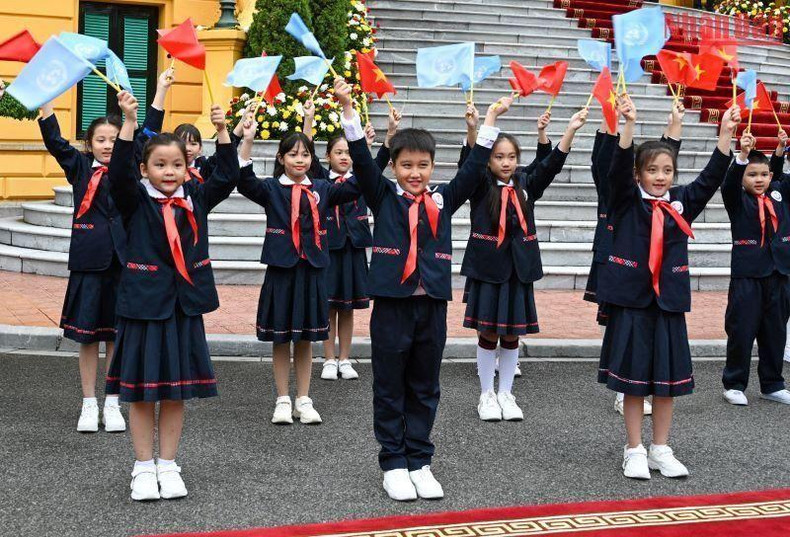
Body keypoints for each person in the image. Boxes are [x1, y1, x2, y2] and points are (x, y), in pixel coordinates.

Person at [336, 74, 510, 501]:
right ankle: (393, 462)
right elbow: (360, 159)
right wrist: (347, 111)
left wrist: (487, 120)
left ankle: (420, 459)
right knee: (390, 385)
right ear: (393, 167)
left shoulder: (443, 200)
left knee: (426, 385)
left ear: (433, 166)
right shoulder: (382, 196)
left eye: (423, 165)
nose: (415, 173)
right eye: (407, 165)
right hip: (392, 307)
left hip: (431, 305)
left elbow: (472, 171)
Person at [106, 91, 240, 500]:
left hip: (184, 307)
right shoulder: (134, 202)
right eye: (160, 165)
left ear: (187, 168)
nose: (169, 172)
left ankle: (169, 462)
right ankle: (143, 466)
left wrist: (222, 133)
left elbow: (228, 176)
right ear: (144, 169)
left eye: (177, 165)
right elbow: (118, 177)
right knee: (143, 392)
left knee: (177, 390)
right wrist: (129, 122)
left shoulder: (195, 199)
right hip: (145, 307)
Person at [597, 94, 739, 480]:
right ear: (639, 174)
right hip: (632, 302)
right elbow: (615, 171)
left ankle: (660, 447)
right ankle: (634, 449)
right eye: (652, 170)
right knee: (632, 382)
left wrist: (725, 135)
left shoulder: (680, 202)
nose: (661, 177)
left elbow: (709, 181)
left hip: (669, 302)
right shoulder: (626, 200)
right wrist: (628, 124)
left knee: (666, 381)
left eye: (667, 170)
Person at [721, 131, 790, 406]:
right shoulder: (737, 200)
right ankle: (734, 383)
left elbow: (781, 177)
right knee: (742, 330)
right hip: (747, 277)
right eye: (752, 175)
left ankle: (772, 383)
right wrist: (741, 157)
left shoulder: (780, 194)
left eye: (763, 174)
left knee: (775, 331)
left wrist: (780, 152)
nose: (758, 180)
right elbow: (728, 184)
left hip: (780, 275)